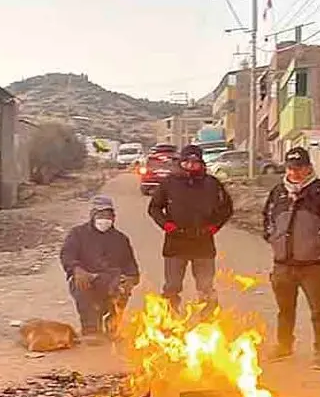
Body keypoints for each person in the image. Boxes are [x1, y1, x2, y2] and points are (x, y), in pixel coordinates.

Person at [262, 146, 320, 370]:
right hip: (282, 265)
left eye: (300, 168)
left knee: (319, 309)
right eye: (291, 168)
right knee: (284, 309)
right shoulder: (278, 192)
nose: (295, 173)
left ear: (309, 167)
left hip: (313, 264)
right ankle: (284, 345)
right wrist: (271, 236)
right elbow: (267, 216)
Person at [147, 144, 233, 314]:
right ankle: (169, 319)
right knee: (172, 286)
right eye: (187, 161)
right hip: (175, 242)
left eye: (195, 162)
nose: (191, 165)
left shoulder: (212, 184)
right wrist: (167, 225)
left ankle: (207, 321)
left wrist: (214, 227)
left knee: (206, 285)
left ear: (201, 163)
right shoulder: (169, 183)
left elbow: (226, 209)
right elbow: (154, 208)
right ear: (181, 162)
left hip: (203, 243)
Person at [60, 195, 140, 339]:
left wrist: (131, 279)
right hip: (86, 277)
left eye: (108, 215)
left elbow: (130, 264)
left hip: (111, 279)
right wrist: (76, 269)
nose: (105, 219)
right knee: (82, 286)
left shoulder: (120, 239)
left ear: (114, 217)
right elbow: (67, 255)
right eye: (101, 214)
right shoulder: (77, 234)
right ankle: (91, 329)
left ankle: (112, 324)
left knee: (123, 287)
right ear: (93, 215)